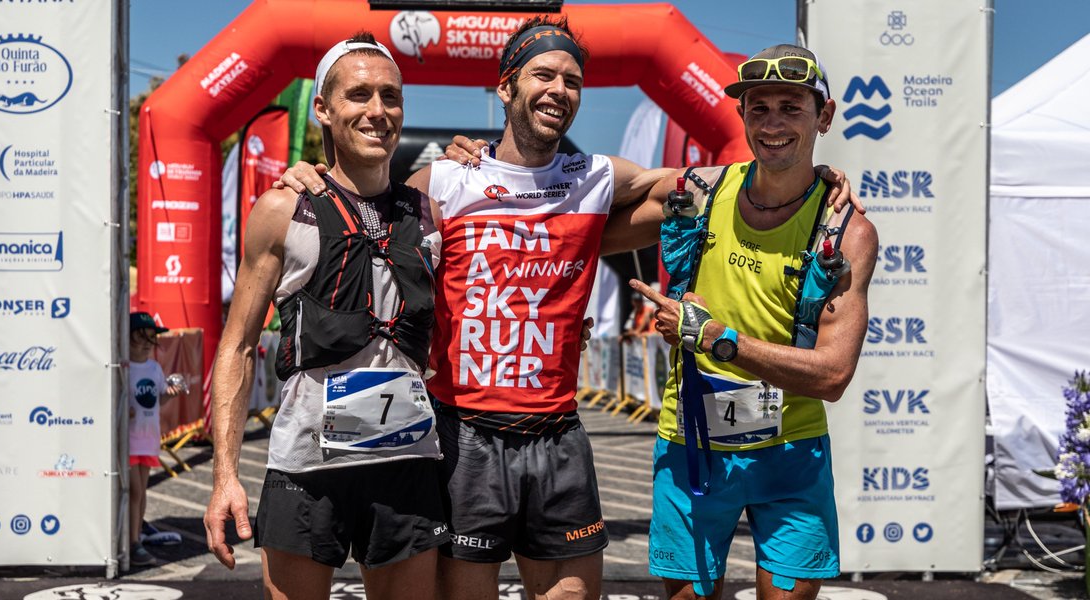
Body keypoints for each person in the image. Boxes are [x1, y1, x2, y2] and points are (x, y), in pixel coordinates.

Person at [276, 16, 862, 600]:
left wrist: (815, 174)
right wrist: (310, 173)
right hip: (464, 439)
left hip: (558, 437)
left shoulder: (597, 177)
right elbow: (366, 202)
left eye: (572, 80)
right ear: (505, 87)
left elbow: (706, 182)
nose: (559, 89)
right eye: (543, 75)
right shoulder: (446, 181)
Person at [621, 44, 877, 600]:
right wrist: (489, 161)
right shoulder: (702, 192)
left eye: (792, 107)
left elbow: (833, 375)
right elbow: (596, 205)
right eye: (759, 108)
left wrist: (717, 340)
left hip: (791, 451)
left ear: (824, 116)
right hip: (692, 443)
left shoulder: (844, 230)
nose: (773, 123)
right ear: (741, 116)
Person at [203, 33, 449, 600]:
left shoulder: (430, 211)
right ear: (323, 108)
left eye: (390, 96)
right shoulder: (284, 209)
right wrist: (224, 479)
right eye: (359, 95)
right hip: (306, 467)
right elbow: (237, 347)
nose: (377, 111)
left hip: (405, 462)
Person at [127, 311, 186, 568]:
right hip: (127, 440)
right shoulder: (122, 367)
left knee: (141, 492)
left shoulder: (154, 367)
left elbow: (158, 398)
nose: (143, 344)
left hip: (147, 438)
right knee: (134, 492)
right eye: (137, 338)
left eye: (149, 339)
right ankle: (131, 543)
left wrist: (170, 395)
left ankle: (136, 534)